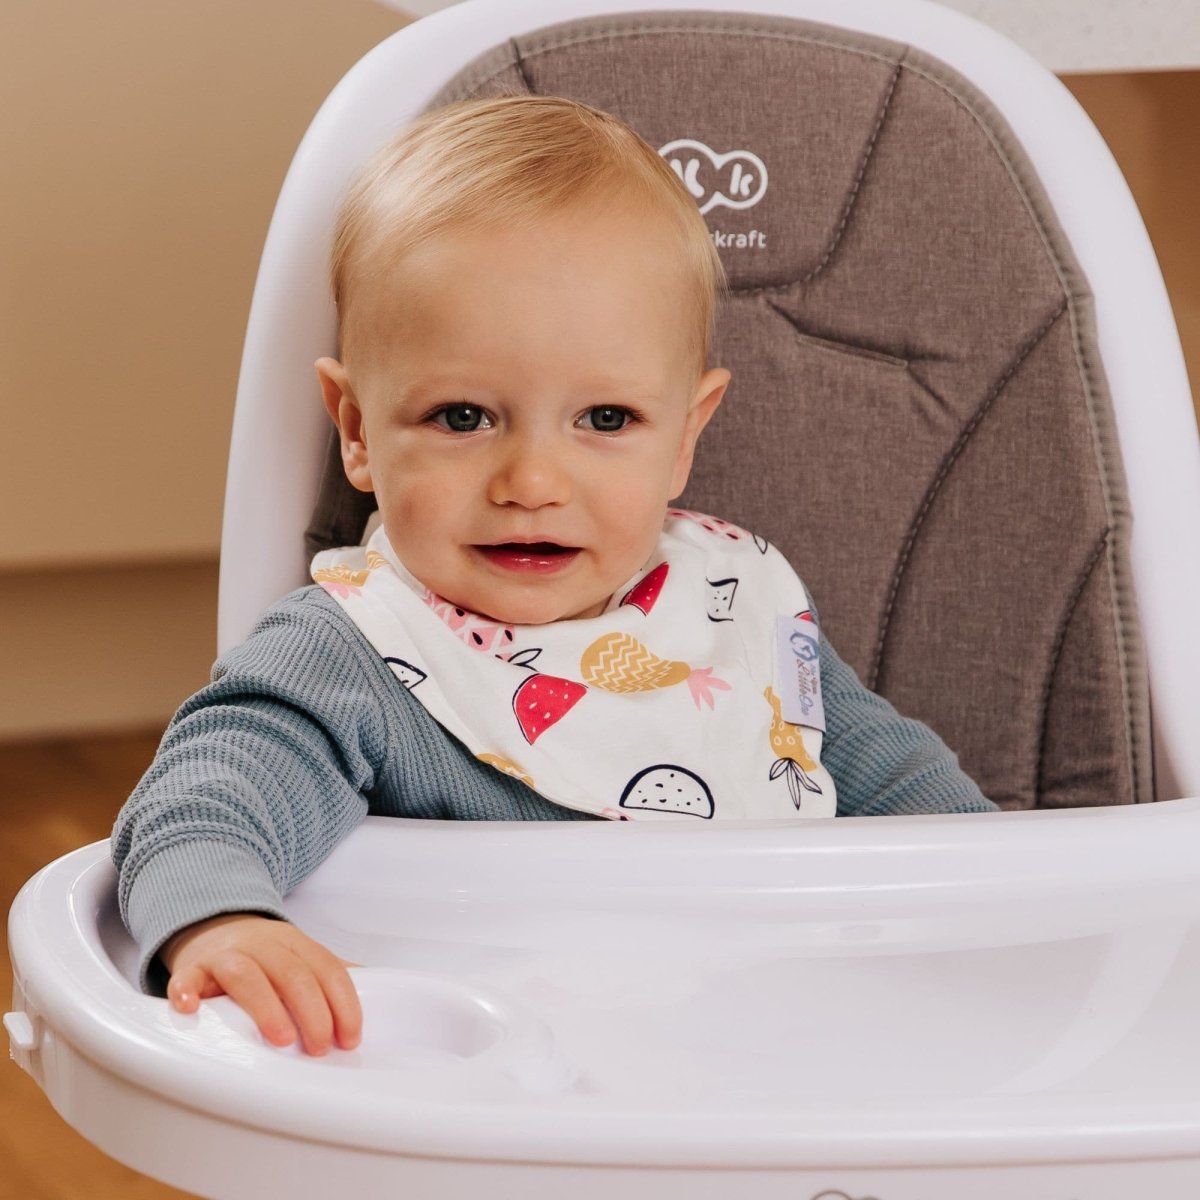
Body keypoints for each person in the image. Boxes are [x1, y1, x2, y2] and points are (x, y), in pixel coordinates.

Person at [112, 95, 996, 1060]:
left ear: (687, 435)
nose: (531, 483)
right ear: (358, 429)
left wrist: (1022, 900)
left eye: (606, 420)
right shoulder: (355, 654)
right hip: (507, 1103)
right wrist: (229, 922)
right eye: (462, 417)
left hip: (790, 1063)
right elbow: (203, 800)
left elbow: (905, 787)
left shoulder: (729, 601)